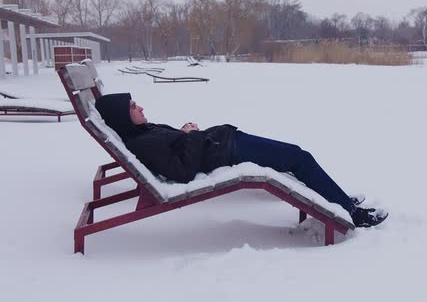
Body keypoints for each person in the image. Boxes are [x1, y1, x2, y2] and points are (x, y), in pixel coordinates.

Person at [95, 93, 388, 228]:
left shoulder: (143, 132)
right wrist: (193, 135)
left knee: (294, 158)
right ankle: (351, 213)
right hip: (228, 151)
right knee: (299, 158)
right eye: (134, 106)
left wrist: (186, 133)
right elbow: (183, 172)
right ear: (122, 116)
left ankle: (339, 200)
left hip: (226, 143)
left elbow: (179, 149)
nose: (141, 106)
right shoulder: (142, 142)